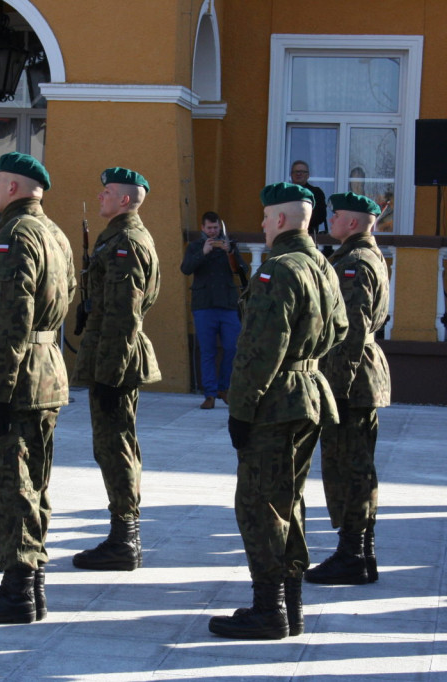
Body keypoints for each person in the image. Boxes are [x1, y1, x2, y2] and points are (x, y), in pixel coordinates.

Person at [209, 182, 347, 641]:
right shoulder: (323, 265)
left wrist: (241, 409)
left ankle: (268, 609)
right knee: (289, 500)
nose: (264, 225)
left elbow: (259, 349)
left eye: (267, 217)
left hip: (274, 400)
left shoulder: (278, 270)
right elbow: (340, 329)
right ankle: (291, 606)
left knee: (259, 504)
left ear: (282, 220)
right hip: (309, 392)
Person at [0, 152, 75, 624]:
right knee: (35, 483)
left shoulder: (14, 236)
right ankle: (34, 583)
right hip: (46, 371)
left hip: (18, 377)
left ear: (14, 187)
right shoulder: (55, 233)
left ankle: (17, 588)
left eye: (1, 179)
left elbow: (9, 320)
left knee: (10, 486)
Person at [71, 167, 160, 572]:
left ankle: (125, 538)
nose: (101, 197)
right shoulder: (117, 238)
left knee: (117, 446)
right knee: (110, 445)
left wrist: (110, 370)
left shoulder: (125, 242)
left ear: (125, 200)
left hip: (116, 359)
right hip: (109, 354)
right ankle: (121, 533)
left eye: (107, 192)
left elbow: (125, 315)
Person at [304, 192, 391, 586]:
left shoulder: (354, 263)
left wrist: (335, 389)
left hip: (350, 380)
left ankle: (352, 553)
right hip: (358, 376)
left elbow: (350, 333)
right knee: (355, 465)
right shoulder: (360, 255)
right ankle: (361, 552)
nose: (331, 220)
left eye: (336, 215)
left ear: (353, 223)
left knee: (349, 467)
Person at [180, 210, 249, 409]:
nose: (212, 232)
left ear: (220, 227)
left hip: (227, 305)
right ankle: (209, 394)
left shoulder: (229, 246)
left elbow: (242, 271)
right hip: (203, 305)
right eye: (209, 228)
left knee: (232, 347)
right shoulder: (195, 246)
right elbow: (186, 269)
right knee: (207, 351)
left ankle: (224, 388)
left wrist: (230, 253)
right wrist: (203, 252)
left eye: (216, 228)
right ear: (203, 228)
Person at [290, 160, 328, 237]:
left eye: (302, 172)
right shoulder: (285, 192)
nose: (299, 174)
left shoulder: (316, 192)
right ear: (291, 174)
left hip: (309, 234)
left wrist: (302, 222)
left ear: (308, 175)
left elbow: (321, 215)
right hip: (287, 234)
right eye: (296, 171)